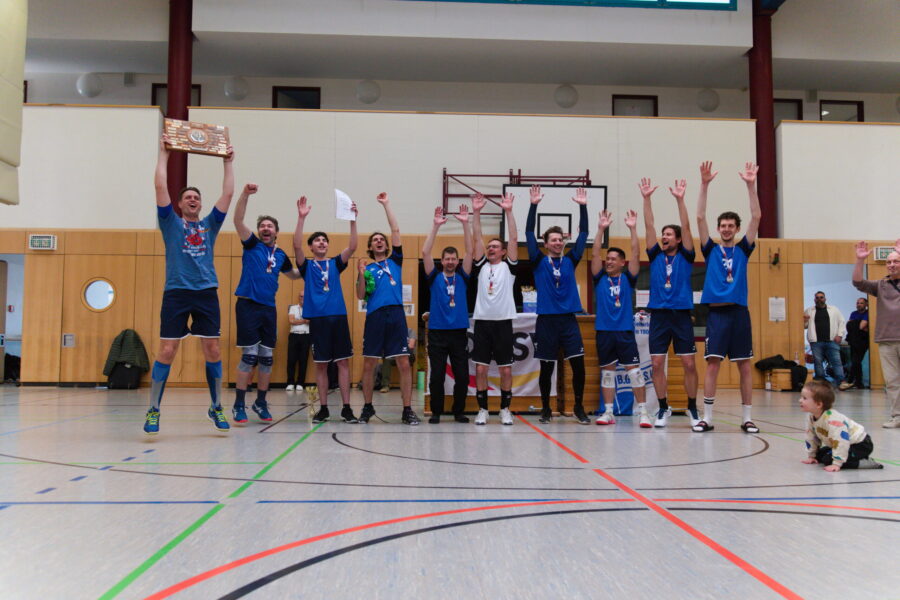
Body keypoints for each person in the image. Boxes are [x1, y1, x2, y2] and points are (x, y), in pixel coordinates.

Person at [144, 134, 234, 435]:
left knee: (213, 349)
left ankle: (216, 406)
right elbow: (160, 186)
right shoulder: (170, 222)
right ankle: (154, 409)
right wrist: (164, 154)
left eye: (196, 197)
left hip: (206, 292)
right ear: (180, 204)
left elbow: (228, 194)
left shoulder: (210, 224)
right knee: (167, 350)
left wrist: (227, 162)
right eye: (187, 197)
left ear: (200, 203)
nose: (192, 200)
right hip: (176, 293)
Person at [694, 161, 761, 433]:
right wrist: (704, 184)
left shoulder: (744, 249)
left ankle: (747, 418)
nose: (726, 228)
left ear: (736, 228)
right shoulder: (710, 249)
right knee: (712, 365)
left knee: (745, 366)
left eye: (731, 225)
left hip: (739, 313)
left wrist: (750, 186)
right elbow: (700, 218)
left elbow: (757, 217)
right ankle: (707, 417)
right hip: (717, 315)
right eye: (722, 225)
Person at [230, 183, 300, 424]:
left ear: (276, 232)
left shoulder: (280, 255)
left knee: (267, 358)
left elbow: (293, 275)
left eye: (270, 226)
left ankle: (260, 402)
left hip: (268, 309)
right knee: (249, 356)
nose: (265, 228)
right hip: (248, 305)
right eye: (262, 226)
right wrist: (245, 195)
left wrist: (314, 268)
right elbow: (238, 220)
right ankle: (239, 404)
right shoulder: (252, 244)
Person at [293, 195, 359, 423]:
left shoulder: (335, 263)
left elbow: (352, 246)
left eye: (324, 240)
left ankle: (347, 408)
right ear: (311, 246)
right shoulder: (307, 266)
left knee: (343, 362)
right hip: (318, 320)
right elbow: (296, 245)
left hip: (338, 317)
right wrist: (301, 218)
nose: (321, 242)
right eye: (317, 240)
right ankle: (323, 408)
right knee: (320, 365)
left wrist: (352, 219)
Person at [526, 185, 588, 424]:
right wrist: (533, 205)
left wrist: (583, 207)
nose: (558, 242)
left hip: (568, 321)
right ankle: (545, 408)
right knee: (546, 368)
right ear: (545, 243)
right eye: (553, 240)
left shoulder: (571, 260)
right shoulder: (538, 261)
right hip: (546, 322)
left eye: (560, 239)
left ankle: (578, 407)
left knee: (578, 366)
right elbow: (529, 232)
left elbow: (583, 234)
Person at [641, 175, 699, 427]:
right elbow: (649, 226)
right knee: (656, 363)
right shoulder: (655, 255)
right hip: (659, 315)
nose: (664, 237)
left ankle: (692, 408)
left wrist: (680, 200)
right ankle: (663, 408)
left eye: (668, 234)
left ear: (677, 239)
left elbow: (687, 227)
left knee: (688, 363)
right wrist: (646, 199)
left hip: (681, 314)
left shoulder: (686, 256)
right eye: (663, 234)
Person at [356, 193, 419, 425]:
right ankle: (367, 407)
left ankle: (407, 409)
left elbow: (395, 230)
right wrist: (360, 275)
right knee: (369, 363)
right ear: (370, 247)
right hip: (375, 316)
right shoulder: (368, 269)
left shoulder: (395, 261)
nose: (379, 241)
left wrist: (386, 205)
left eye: (382, 239)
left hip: (396, 315)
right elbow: (360, 295)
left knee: (403, 363)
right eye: (375, 240)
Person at [592, 209, 650, 427]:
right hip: (604, 332)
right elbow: (595, 254)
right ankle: (608, 412)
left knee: (634, 373)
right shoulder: (599, 278)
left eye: (613, 259)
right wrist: (601, 229)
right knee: (608, 374)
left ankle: (643, 412)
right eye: (608, 259)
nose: (608, 261)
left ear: (622, 263)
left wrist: (633, 229)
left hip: (624, 332)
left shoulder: (628, 278)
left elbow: (636, 253)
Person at [422, 205, 474, 424]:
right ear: (442, 261)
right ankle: (436, 411)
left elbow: (470, 252)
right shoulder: (434, 277)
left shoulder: (463, 276)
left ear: (457, 261)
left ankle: (458, 411)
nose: (451, 262)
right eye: (447, 259)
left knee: (462, 376)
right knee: (437, 376)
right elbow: (425, 253)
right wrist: (435, 226)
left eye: (454, 259)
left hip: (459, 333)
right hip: (437, 333)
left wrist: (465, 224)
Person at [471, 191, 519, 426]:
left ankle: (505, 409)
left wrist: (509, 211)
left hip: (503, 323)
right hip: (482, 323)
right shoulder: (481, 266)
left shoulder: (509, 267)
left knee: (506, 371)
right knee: (480, 370)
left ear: (503, 251)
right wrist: (476, 212)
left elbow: (514, 238)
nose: (491, 248)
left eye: (495, 246)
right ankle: (483, 410)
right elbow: (477, 237)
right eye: (489, 246)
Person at [853, 239, 900, 428]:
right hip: (886, 339)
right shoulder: (881, 285)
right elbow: (858, 282)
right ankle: (897, 416)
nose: (891, 264)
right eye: (889, 262)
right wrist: (860, 260)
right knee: (892, 381)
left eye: (896, 261)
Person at [799, 380, 882, 470]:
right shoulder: (811, 417)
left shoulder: (833, 420)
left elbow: (841, 441)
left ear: (819, 404)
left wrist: (837, 463)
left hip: (861, 444)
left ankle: (865, 462)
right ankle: (848, 458)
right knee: (820, 454)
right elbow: (811, 437)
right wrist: (812, 456)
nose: (800, 400)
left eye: (804, 398)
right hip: (847, 444)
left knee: (828, 460)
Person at [802, 291, 849, 389]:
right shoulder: (809, 310)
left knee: (836, 362)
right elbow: (804, 326)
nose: (819, 299)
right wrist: (805, 320)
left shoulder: (834, 310)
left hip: (832, 341)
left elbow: (841, 322)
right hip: (816, 342)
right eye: (817, 298)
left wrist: (840, 335)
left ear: (825, 299)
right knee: (818, 362)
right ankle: (821, 382)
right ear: (814, 299)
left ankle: (841, 382)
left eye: (821, 297)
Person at [286, 291, 311, 392]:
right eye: (301, 296)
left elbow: (310, 321)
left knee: (303, 360)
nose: (302, 298)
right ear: (298, 297)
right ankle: (290, 383)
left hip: (306, 336)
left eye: (304, 296)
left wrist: (298, 321)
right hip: (294, 335)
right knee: (291, 360)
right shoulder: (293, 308)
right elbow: (291, 321)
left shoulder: (310, 308)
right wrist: (304, 321)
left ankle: (300, 383)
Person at [379, 327, 416, 394]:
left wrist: (397, 347)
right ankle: (385, 385)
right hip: (395, 355)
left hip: (408, 355)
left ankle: (406, 385)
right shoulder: (392, 332)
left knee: (404, 357)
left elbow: (411, 346)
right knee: (387, 358)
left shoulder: (410, 331)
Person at [845, 297, 869, 389]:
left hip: (862, 341)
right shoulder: (853, 313)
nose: (859, 304)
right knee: (855, 361)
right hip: (853, 340)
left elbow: (861, 326)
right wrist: (858, 324)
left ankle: (852, 381)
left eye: (861, 303)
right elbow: (848, 326)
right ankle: (858, 382)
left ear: (866, 304)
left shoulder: (868, 313)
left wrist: (855, 324)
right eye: (858, 303)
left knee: (856, 361)